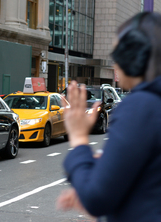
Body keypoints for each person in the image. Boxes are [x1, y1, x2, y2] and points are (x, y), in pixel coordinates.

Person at [56, 12, 161, 221]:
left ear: (136, 55)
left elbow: (97, 198)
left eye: (118, 55)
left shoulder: (140, 106)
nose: (115, 64)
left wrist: (78, 138)